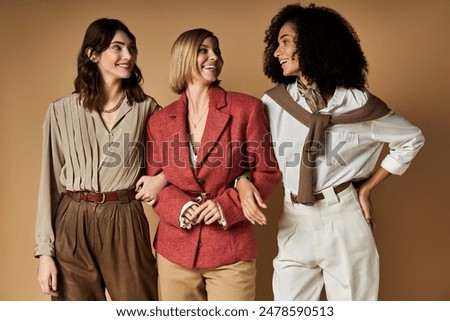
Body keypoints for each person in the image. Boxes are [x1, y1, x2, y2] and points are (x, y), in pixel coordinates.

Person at [238, 3, 425, 300]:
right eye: (277, 43)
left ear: (314, 43)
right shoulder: (274, 103)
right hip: (294, 219)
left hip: (344, 218)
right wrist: (243, 180)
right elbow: (251, 153)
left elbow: (411, 138)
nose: (277, 51)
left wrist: (366, 190)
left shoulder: (359, 105)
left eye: (285, 41)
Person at [145, 28, 281, 301]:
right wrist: (182, 208)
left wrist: (225, 205)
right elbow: (155, 181)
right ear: (184, 57)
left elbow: (266, 171)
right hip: (174, 253)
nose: (214, 57)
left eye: (217, 51)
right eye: (204, 50)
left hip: (231, 249)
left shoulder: (246, 108)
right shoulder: (159, 121)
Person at [34, 18, 166, 300]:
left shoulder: (148, 109)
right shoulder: (60, 111)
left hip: (125, 218)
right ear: (92, 54)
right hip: (72, 221)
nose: (128, 56)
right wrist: (45, 252)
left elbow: (184, 158)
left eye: (131, 48)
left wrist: (161, 179)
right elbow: (49, 183)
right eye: (117, 48)